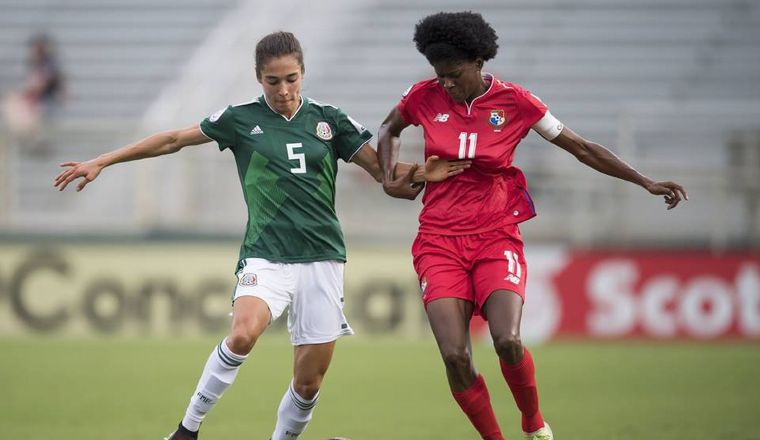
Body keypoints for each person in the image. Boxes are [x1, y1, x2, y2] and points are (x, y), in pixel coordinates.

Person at [53, 31, 468, 440]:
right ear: (259, 78)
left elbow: (384, 174)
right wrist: (103, 161)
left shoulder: (329, 119)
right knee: (242, 333)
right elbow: (173, 140)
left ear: (303, 73)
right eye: (273, 81)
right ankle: (186, 430)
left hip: (322, 258)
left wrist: (418, 173)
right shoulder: (240, 118)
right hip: (266, 256)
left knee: (308, 384)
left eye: (291, 79)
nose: (284, 90)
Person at [378, 12, 688, 440]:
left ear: (480, 61)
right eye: (439, 75)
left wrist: (645, 181)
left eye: (453, 75)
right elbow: (388, 128)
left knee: (507, 340)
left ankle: (533, 422)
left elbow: (580, 147)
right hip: (438, 240)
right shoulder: (423, 96)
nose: (445, 84)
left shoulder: (516, 102)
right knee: (454, 356)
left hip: (495, 235)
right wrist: (393, 178)